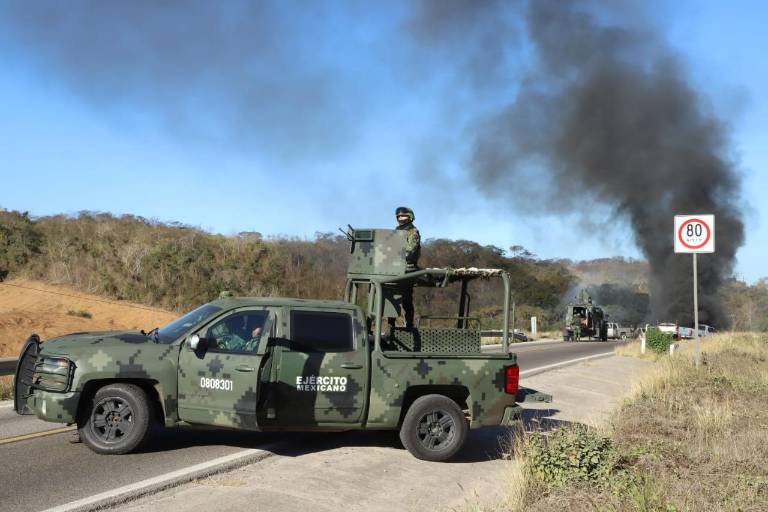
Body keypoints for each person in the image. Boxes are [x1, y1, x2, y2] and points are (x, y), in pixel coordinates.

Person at [389, 206, 421, 330]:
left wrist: (395, 253)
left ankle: (409, 325)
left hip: (408, 269)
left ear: (410, 217)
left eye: (403, 216)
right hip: (393, 268)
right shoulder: (396, 231)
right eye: (399, 216)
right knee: (391, 298)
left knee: (406, 299)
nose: (400, 218)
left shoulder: (413, 232)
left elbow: (410, 250)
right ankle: (391, 325)